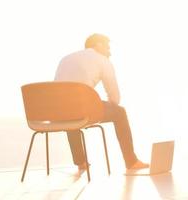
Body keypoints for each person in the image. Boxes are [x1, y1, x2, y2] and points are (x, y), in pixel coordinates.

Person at [54, 33, 149, 172]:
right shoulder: (102, 60)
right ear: (98, 45)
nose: (110, 52)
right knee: (120, 112)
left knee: (70, 108)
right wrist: (110, 104)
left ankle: (81, 162)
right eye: (108, 47)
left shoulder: (65, 59)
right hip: (82, 110)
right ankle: (131, 161)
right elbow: (115, 98)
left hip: (59, 111)